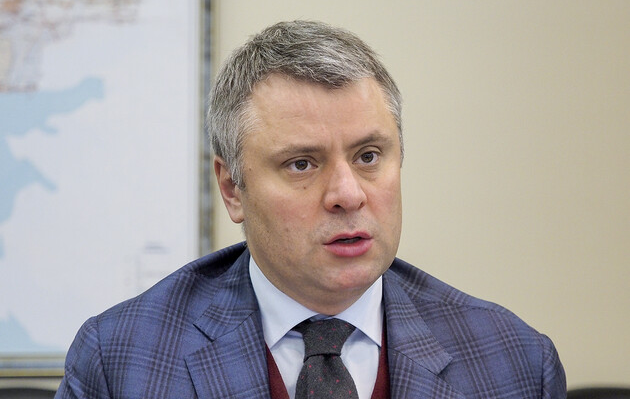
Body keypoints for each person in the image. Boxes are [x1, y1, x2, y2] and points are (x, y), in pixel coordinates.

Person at [56, 20, 566, 399]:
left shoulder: (515, 361)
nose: (348, 194)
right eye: (301, 164)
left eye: (369, 156)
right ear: (232, 189)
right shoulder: (120, 362)